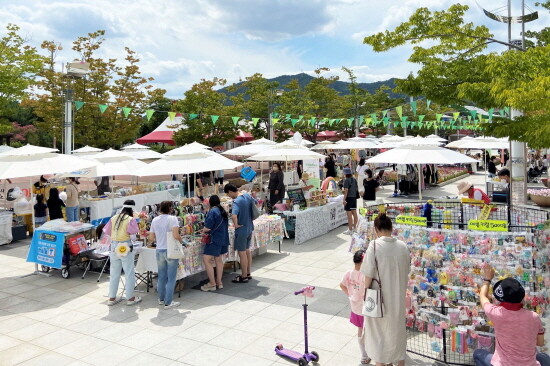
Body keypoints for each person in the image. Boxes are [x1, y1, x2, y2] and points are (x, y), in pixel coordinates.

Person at [473, 265, 550, 366]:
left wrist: (487, 280)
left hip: (502, 364)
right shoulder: (534, 317)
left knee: (477, 354)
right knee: (543, 357)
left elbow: (482, 296)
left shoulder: (496, 313)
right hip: (528, 364)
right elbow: (540, 343)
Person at [361, 214, 410, 366]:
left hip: (378, 300)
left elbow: (368, 274)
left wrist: (364, 292)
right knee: (397, 335)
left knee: (379, 337)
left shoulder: (374, 246)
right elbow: (407, 270)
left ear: (376, 229)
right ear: (391, 228)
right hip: (397, 298)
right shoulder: (403, 246)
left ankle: (382, 362)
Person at [103, 200, 141, 306]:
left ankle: (111, 298)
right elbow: (133, 237)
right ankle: (130, 298)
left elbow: (108, 233)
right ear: (132, 209)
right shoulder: (131, 220)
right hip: (125, 246)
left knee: (114, 273)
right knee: (129, 273)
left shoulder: (114, 217)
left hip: (114, 246)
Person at [148, 201, 182, 309]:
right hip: (170, 250)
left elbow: (151, 238)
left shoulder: (155, 220)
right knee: (171, 277)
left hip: (159, 250)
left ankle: (161, 299)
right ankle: (168, 301)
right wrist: (182, 241)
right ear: (171, 208)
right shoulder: (173, 219)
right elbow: (176, 235)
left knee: (161, 276)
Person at [340, 249, 371, 365]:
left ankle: (364, 355)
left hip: (355, 306)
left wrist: (350, 294)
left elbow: (342, 285)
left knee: (360, 329)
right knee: (367, 331)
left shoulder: (348, 273)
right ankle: (366, 354)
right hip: (365, 307)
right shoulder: (365, 276)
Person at [224, 184, 255, 283]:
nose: (229, 197)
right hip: (249, 227)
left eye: (229, 195)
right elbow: (256, 204)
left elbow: (234, 215)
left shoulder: (237, 201)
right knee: (247, 251)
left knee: (242, 253)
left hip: (241, 230)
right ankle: (248, 273)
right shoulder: (247, 196)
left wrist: (236, 225)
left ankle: (244, 276)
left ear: (230, 191)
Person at [200, 195, 230, 291]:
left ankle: (212, 284)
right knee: (218, 259)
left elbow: (208, 227)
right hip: (223, 238)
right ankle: (219, 282)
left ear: (210, 203)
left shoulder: (212, 211)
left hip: (214, 239)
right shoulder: (222, 210)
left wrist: (203, 230)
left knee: (206, 259)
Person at [342, 167, 359, 235]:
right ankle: (355, 227)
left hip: (349, 198)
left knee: (349, 214)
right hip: (354, 198)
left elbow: (346, 191)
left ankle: (350, 229)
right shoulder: (354, 179)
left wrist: (344, 199)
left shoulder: (346, 180)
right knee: (354, 213)